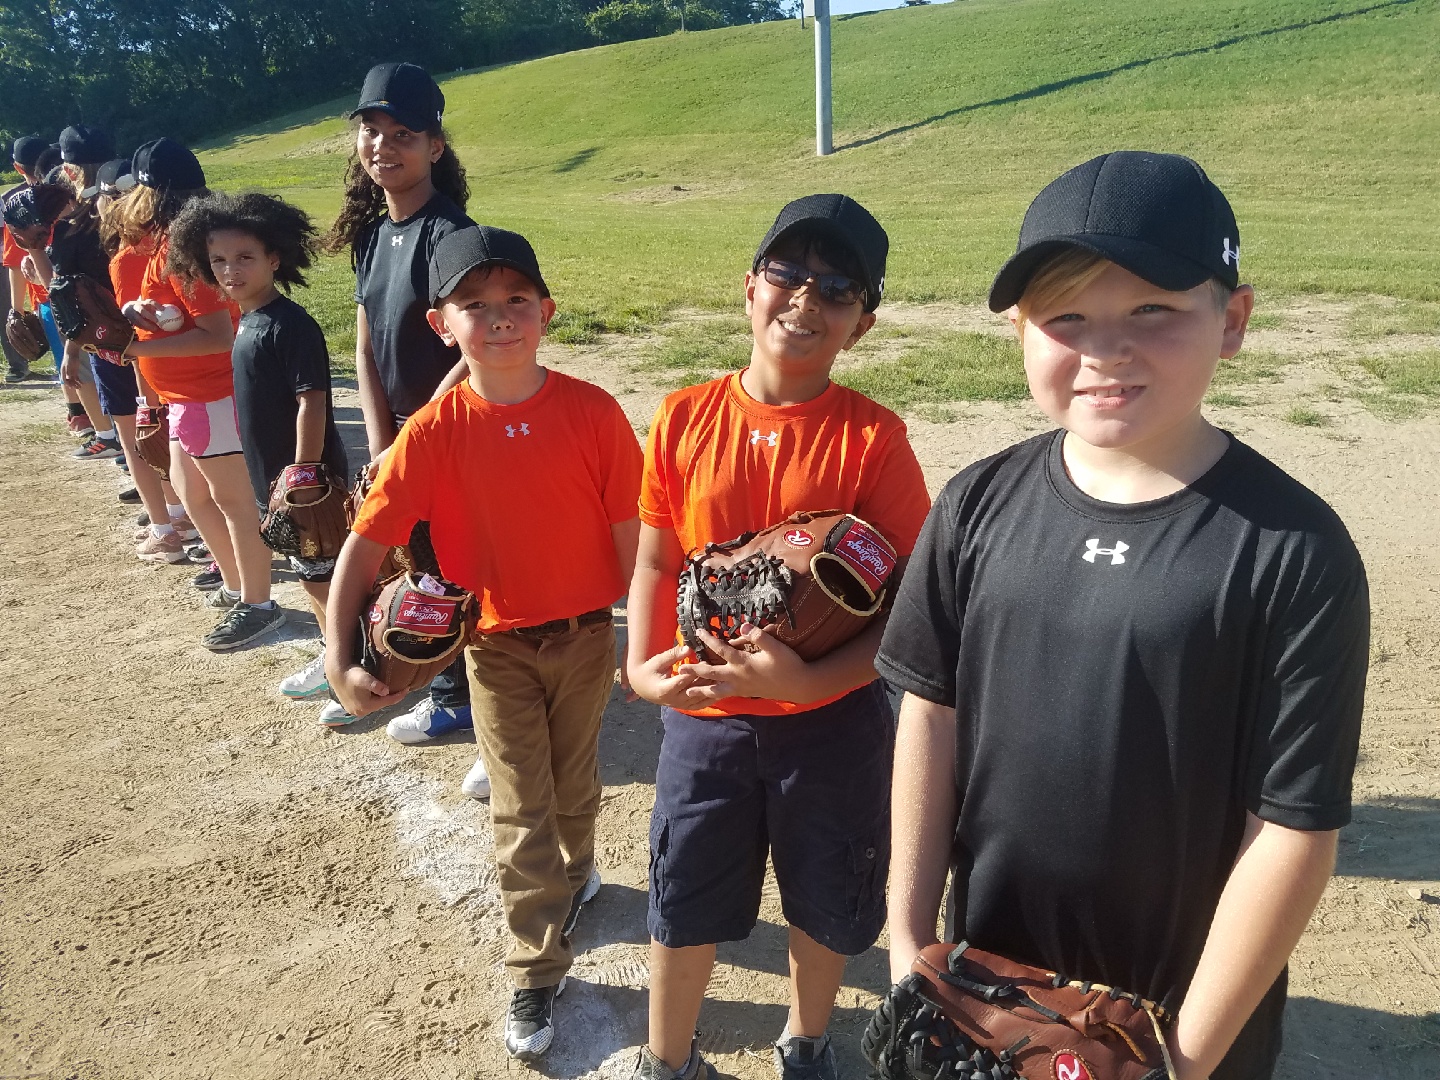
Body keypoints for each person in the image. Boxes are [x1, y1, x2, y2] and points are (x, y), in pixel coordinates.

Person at [877, 152, 1370, 1080]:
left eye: (1154, 309)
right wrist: (906, 938)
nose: (1107, 349)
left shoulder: (1292, 550)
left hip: (1174, 1018)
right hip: (990, 988)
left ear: (1233, 320)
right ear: (1020, 332)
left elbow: (1294, 829)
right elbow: (929, 716)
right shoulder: (978, 505)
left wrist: (1180, 1060)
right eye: (1066, 317)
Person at [625, 195, 932, 1080]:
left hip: (830, 721)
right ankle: (668, 1059)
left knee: (825, 898)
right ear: (749, 288)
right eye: (788, 274)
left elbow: (909, 612)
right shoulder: (685, 417)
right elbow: (655, 559)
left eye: (837, 288)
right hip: (705, 715)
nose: (807, 298)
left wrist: (810, 683)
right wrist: (642, 668)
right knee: (684, 896)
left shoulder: (873, 439)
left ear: (862, 324)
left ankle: (804, 1042)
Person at [326, 224, 641, 1061]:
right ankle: (534, 967)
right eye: (474, 304)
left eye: (515, 302)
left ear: (546, 312)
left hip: (583, 639)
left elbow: (630, 537)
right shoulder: (433, 431)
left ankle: (579, 872)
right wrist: (336, 652)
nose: (498, 318)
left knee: (575, 785)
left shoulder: (592, 411)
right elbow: (364, 541)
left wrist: (640, 640)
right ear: (442, 324)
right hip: (493, 647)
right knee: (520, 805)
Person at [321, 61, 480, 743]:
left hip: (450, 429)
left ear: (434, 147)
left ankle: (459, 697)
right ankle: (425, 679)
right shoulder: (369, 234)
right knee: (411, 560)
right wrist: (379, 440)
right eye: (371, 130)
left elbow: (473, 355)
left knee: (448, 566)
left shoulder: (450, 234)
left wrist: (409, 440)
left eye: (403, 133)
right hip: (399, 434)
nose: (383, 145)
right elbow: (364, 348)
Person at [167, 190, 349, 703]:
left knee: (322, 579)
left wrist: (304, 473)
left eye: (244, 258)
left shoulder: (290, 325)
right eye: (219, 260)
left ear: (274, 258)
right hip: (274, 478)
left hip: (306, 484)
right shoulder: (247, 320)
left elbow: (311, 402)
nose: (230, 270)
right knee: (310, 573)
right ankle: (336, 653)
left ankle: (345, 669)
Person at [118, 138, 285, 651]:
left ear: (150, 194)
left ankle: (258, 604)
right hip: (187, 397)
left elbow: (217, 335)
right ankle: (237, 585)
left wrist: (131, 344)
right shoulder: (165, 246)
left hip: (211, 393)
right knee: (194, 496)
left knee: (234, 503)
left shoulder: (185, 251)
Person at [2, 135, 47, 382]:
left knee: (72, 372)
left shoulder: (17, 206)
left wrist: (16, 311)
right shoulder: (73, 196)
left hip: (50, 303)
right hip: (96, 297)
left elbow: (14, 265)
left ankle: (81, 417)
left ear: (18, 168)